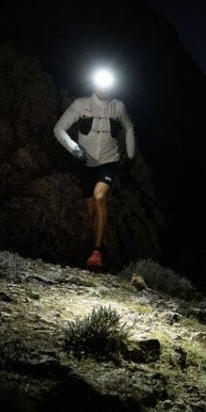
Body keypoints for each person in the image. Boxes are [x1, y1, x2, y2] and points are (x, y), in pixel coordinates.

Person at [53, 70, 135, 270]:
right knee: (90, 212)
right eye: (100, 83)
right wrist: (74, 149)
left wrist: (130, 156)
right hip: (85, 163)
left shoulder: (118, 107)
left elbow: (129, 128)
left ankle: (98, 252)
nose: (104, 87)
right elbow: (58, 129)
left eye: (108, 84)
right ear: (94, 84)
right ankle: (95, 246)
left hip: (109, 161)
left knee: (99, 198)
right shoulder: (81, 104)